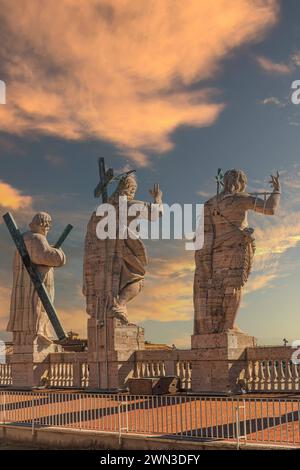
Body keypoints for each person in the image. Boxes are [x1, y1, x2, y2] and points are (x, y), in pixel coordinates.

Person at [194, 169, 280, 334]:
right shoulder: (240, 199)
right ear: (241, 183)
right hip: (236, 247)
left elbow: (203, 232)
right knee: (234, 286)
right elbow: (270, 209)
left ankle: (215, 326)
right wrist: (277, 190)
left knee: (217, 287)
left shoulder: (209, 204)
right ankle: (228, 325)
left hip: (214, 252)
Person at [7, 212, 66, 345]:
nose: (48, 229)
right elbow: (46, 256)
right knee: (38, 307)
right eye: (47, 226)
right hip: (37, 284)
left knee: (32, 309)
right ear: (43, 224)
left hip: (26, 284)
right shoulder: (36, 238)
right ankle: (39, 334)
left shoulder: (22, 240)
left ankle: (32, 336)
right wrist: (59, 253)